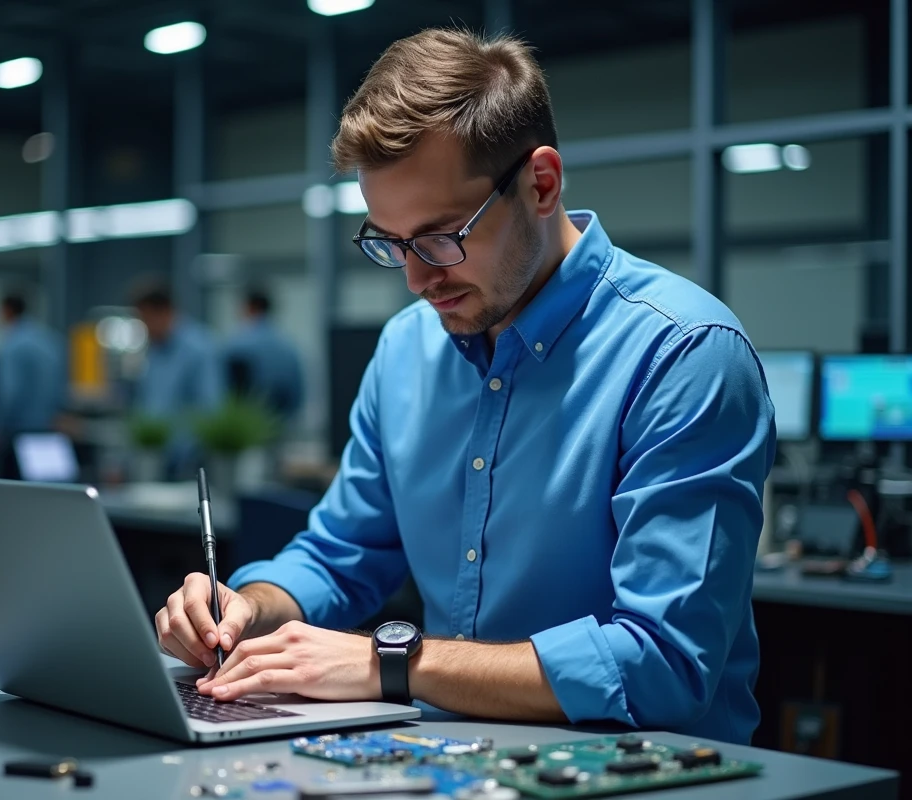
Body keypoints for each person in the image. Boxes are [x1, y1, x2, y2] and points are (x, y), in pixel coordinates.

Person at [155, 28, 776, 745]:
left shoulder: (684, 354)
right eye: (390, 243)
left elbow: (664, 665)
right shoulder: (406, 351)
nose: (418, 279)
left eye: (442, 236)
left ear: (541, 184)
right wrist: (248, 606)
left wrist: (391, 663)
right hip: (456, 762)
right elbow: (339, 554)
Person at [132, 281, 223, 472]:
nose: (145, 328)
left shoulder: (199, 348)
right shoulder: (155, 351)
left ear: (165, 312)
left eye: (146, 319)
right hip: (155, 459)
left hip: (188, 463)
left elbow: (210, 409)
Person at [0, 290, 66, 478]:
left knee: (12, 500)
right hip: (49, 433)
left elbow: (9, 394)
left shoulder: (13, 344)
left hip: (19, 435)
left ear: (7, 310)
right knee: (45, 495)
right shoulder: (49, 340)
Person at [222, 288, 305, 421]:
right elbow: (298, 393)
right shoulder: (288, 346)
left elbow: (227, 391)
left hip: (248, 427)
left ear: (249, 307)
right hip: (283, 423)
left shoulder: (236, 344)